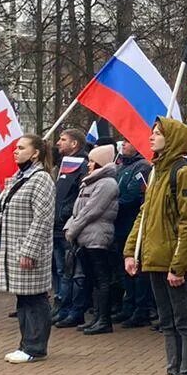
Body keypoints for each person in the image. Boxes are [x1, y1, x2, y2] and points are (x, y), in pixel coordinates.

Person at [125, 116, 187, 375]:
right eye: (152, 132)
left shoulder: (183, 173)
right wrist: (131, 251)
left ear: (172, 139)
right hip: (154, 258)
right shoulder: (158, 171)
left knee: (184, 321)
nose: (151, 137)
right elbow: (143, 216)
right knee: (167, 322)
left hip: (173, 261)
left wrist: (178, 265)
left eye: (158, 133)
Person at [0, 134, 55, 363]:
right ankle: (27, 343)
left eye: (21, 148)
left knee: (35, 299)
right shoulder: (21, 178)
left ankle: (35, 347)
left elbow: (42, 218)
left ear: (36, 153)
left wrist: (30, 251)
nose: (16, 151)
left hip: (28, 249)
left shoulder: (40, 179)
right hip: (16, 248)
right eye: (15, 148)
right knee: (24, 299)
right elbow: (12, 212)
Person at [64, 143, 121, 335]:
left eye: (92, 161)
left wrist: (72, 229)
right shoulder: (90, 182)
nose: (88, 164)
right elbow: (78, 210)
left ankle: (104, 320)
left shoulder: (107, 184)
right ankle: (97, 317)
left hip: (97, 236)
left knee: (102, 278)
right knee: (93, 279)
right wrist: (71, 226)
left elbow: (91, 211)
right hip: (85, 236)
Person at [112, 141, 153, 328]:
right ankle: (128, 306)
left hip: (131, 222)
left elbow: (133, 194)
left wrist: (112, 205)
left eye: (128, 142)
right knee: (125, 269)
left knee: (138, 270)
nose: (123, 145)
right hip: (120, 225)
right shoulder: (122, 166)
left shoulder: (142, 166)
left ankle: (141, 309)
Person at [51, 127, 88, 328]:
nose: (58, 143)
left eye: (63, 139)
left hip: (68, 226)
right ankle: (61, 307)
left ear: (74, 144)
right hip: (56, 225)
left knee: (73, 272)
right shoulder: (64, 164)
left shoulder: (81, 165)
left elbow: (78, 197)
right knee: (60, 270)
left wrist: (66, 215)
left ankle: (74, 310)